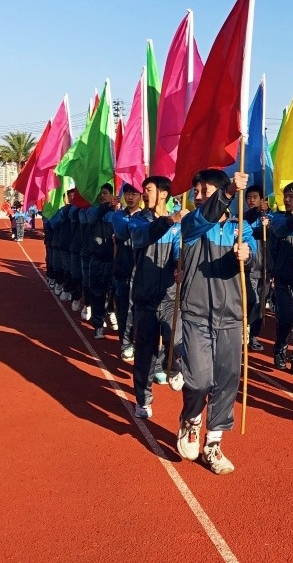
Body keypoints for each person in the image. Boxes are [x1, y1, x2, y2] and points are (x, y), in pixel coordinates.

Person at [172, 169, 253, 475]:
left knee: (227, 381)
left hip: (231, 317)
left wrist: (248, 253)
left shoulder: (240, 228)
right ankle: (191, 419)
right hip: (196, 313)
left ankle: (213, 443)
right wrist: (229, 191)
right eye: (196, 191)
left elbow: (254, 255)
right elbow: (204, 216)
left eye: (204, 191)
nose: (198, 196)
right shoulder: (193, 225)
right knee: (199, 380)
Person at [122, 175, 186, 419]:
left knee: (176, 339)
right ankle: (143, 399)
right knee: (144, 354)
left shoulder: (179, 224)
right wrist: (170, 220)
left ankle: (174, 367)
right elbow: (142, 238)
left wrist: (181, 267)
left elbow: (180, 252)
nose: (143, 194)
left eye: (147, 189)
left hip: (170, 298)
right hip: (145, 300)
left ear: (163, 194)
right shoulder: (138, 221)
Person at [266, 182, 293, 372]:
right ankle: (280, 347)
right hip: (283, 279)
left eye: (292, 196)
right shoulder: (277, 219)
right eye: (285, 196)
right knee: (286, 319)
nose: (287, 199)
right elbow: (283, 228)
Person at [111, 184, 143, 362]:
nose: (130, 197)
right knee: (123, 310)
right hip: (123, 271)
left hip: (141, 272)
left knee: (139, 312)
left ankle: (138, 343)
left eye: (134, 193)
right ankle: (125, 344)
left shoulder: (146, 217)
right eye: (127, 193)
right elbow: (123, 232)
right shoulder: (118, 216)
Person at [84, 184, 117, 340]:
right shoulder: (93, 211)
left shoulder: (118, 213)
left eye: (105, 193)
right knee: (97, 292)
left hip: (114, 261)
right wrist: (106, 207)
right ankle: (98, 324)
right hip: (97, 260)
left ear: (112, 194)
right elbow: (91, 218)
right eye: (100, 193)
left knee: (115, 293)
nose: (102, 196)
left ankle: (110, 312)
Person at [242, 185, 269, 352]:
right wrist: (257, 212)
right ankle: (244, 329)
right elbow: (248, 225)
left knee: (261, 305)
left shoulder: (269, 217)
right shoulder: (243, 218)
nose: (251, 200)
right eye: (249, 197)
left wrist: (268, 223)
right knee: (251, 301)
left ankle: (253, 335)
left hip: (266, 268)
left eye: (255, 197)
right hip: (249, 268)